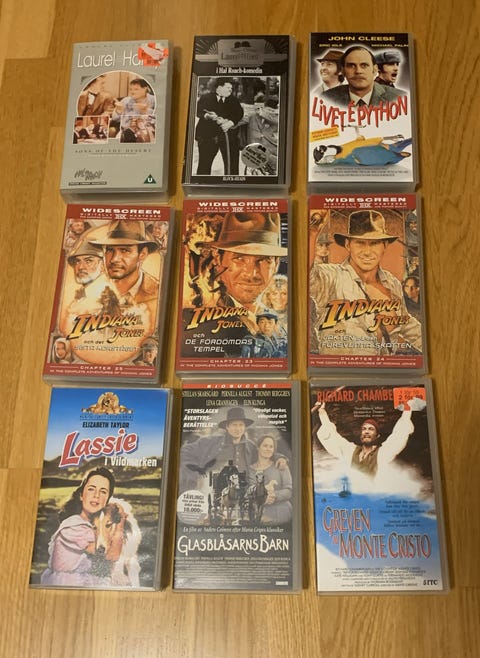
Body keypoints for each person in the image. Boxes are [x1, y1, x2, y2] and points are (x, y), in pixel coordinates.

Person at [309, 210, 422, 355]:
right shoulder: (332, 277)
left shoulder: (391, 282)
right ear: (348, 245)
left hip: (386, 367)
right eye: (360, 243)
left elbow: (406, 324)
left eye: (374, 243)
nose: (367, 252)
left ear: (385, 245)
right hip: (340, 368)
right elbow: (307, 273)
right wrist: (312, 233)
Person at [314, 397, 426, 479]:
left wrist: (407, 409)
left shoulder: (382, 454)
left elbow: (399, 435)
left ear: (377, 436)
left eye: (371, 429)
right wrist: (322, 411)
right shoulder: (351, 451)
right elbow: (333, 438)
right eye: (364, 429)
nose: (366, 431)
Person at [41, 467, 116, 586]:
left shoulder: (96, 525)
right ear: (81, 495)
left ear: (107, 500)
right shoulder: (74, 525)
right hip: (67, 585)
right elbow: (108, 556)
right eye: (91, 489)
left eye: (103, 491)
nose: (96, 495)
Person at [179, 407, 258, 494]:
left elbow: (262, 463)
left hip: (243, 492)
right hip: (212, 490)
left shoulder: (251, 446)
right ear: (227, 427)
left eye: (241, 425)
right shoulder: (211, 442)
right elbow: (185, 451)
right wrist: (196, 473)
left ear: (245, 427)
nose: (238, 429)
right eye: (234, 425)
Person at [322, 46, 403, 107]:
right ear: (343, 71)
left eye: (364, 65)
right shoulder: (325, 98)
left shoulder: (400, 97)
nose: (358, 71)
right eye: (351, 66)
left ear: (375, 70)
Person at [195, 77, 244, 175]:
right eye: (228, 87)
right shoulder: (206, 98)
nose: (230, 90)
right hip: (208, 137)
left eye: (231, 88)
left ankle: (231, 183)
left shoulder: (234, 100)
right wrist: (207, 116)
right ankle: (202, 182)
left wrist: (230, 123)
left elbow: (239, 114)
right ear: (219, 88)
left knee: (232, 167)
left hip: (229, 137)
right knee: (204, 166)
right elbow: (198, 110)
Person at [248, 435, 292, 523]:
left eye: (271, 447)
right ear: (258, 447)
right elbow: (250, 492)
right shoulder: (250, 470)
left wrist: (274, 495)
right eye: (265, 446)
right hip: (259, 514)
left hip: (282, 511)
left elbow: (289, 490)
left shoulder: (281, 465)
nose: (268, 449)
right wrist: (263, 499)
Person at [65, 234, 110, 317]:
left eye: (88, 261)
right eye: (77, 261)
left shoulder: (103, 295)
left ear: (102, 266)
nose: (81, 267)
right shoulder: (83, 293)